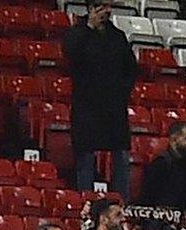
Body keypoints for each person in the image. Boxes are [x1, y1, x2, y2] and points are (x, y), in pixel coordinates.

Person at [66, 1, 139, 197]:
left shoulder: (117, 36)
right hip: (87, 108)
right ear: (90, 9)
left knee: (121, 157)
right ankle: (86, 202)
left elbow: (131, 69)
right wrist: (89, 29)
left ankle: (121, 202)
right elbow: (72, 58)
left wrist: (121, 92)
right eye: (100, 8)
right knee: (86, 159)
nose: (105, 12)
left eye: (108, 8)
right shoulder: (76, 34)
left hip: (114, 108)